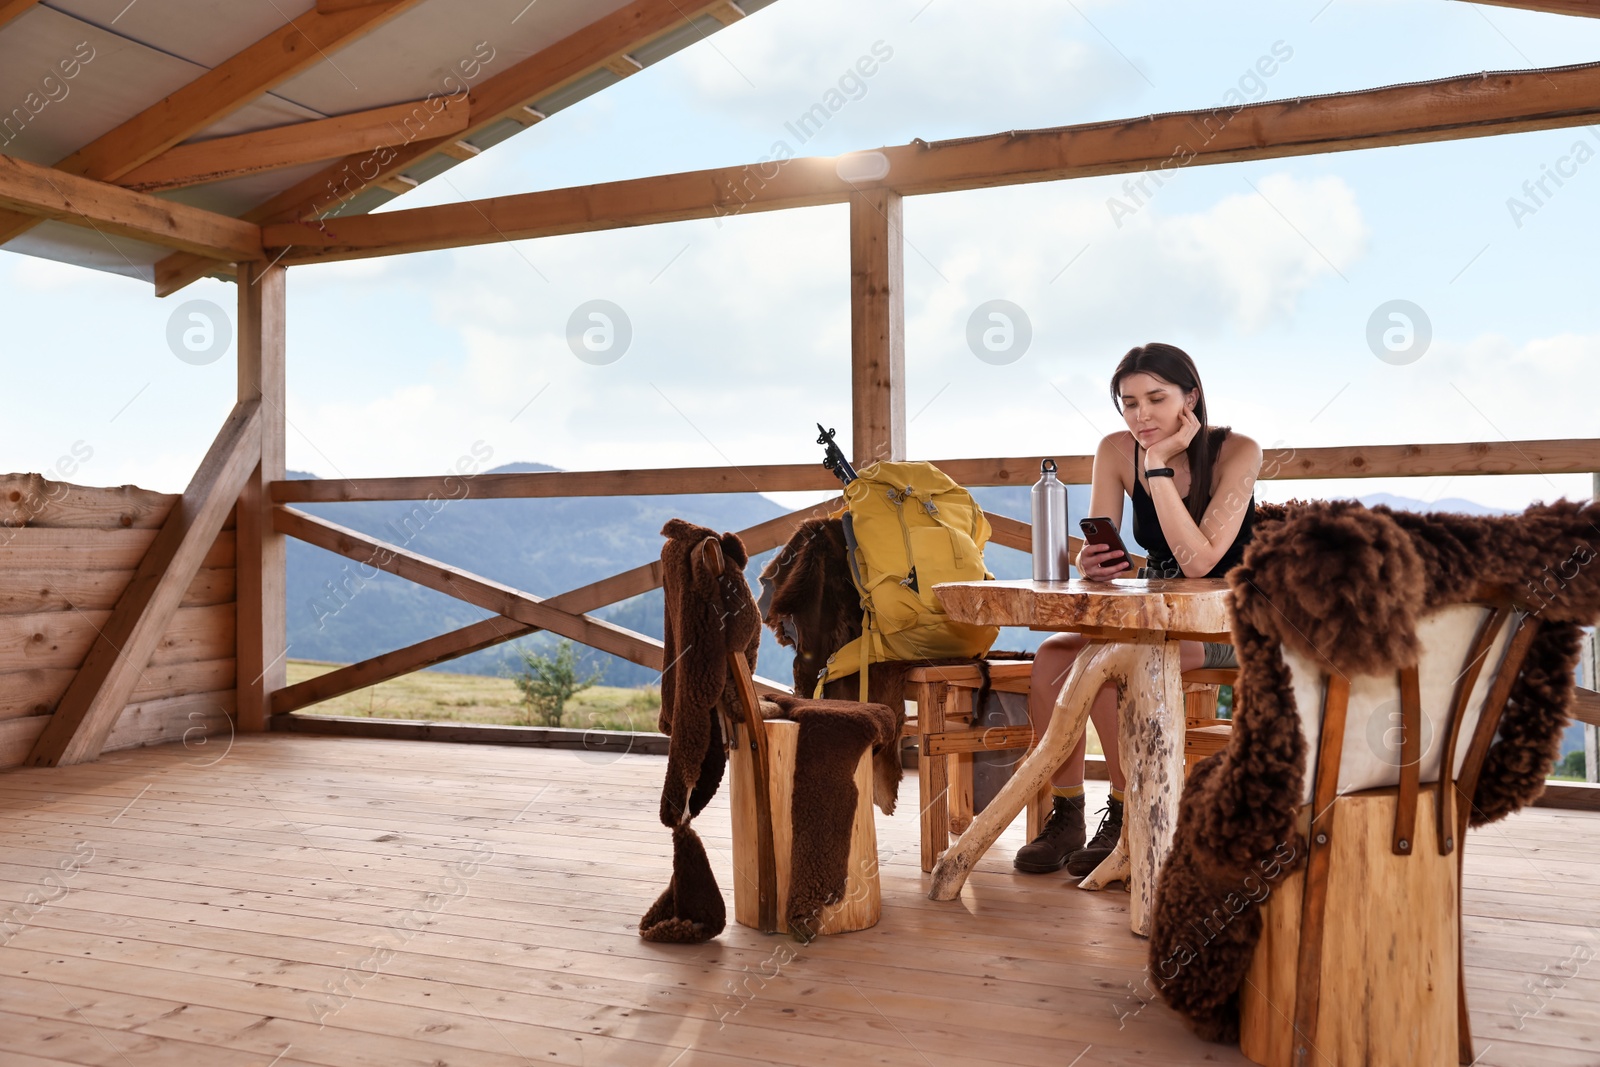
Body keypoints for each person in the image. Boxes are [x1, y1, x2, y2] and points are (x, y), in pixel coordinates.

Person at [1014, 343, 1263, 877]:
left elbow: (1199, 563)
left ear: (1190, 397)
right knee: (1051, 662)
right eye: (1129, 403)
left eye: (1156, 398)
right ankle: (1068, 812)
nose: (1141, 415)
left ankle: (1128, 818)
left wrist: (1156, 467)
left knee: (1110, 667)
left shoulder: (1238, 451)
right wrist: (1094, 562)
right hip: (1150, 610)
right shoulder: (1113, 449)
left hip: (1226, 615)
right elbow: (1100, 555)